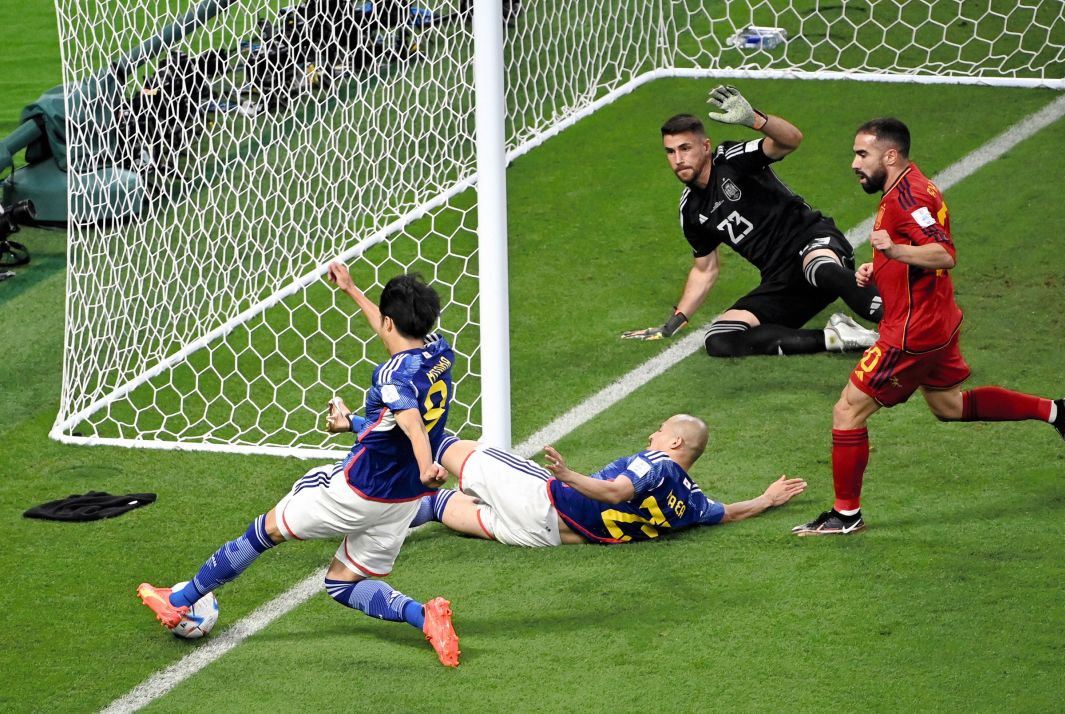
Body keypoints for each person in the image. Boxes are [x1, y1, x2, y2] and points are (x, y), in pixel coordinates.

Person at [137, 264, 461, 667]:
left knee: (266, 529)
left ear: (391, 320)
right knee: (342, 583)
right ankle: (425, 616)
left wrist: (428, 463)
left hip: (359, 489)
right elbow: (397, 397)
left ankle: (179, 602)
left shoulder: (391, 375)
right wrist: (352, 289)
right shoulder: (440, 351)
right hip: (404, 499)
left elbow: (411, 425)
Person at [792, 118, 1065, 536]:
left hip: (912, 333)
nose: (854, 164)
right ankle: (1059, 411)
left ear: (890, 155)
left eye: (862, 154)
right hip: (937, 319)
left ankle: (845, 516)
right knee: (948, 406)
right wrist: (880, 267)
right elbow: (919, 250)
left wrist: (893, 249)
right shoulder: (909, 186)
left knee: (847, 411)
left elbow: (943, 254)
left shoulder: (908, 198)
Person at [622, 84, 884, 357]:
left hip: (812, 242)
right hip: (782, 281)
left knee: (818, 268)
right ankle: (838, 337)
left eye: (685, 148)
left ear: (705, 146)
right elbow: (705, 270)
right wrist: (674, 321)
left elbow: (791, 140)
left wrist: (757, 121)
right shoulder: (690, 210)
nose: (678, 159)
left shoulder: (730, 160)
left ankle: (903, 324)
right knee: (719, 339)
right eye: (670, 152)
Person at [408, 414, 807, 545]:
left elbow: (616, 491)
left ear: (675, 441)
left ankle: (356, 431)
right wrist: (766, 500)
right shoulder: (694, 502)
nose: (652, 435)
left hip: (542, 497)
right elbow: (731, 514)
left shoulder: (656, 463)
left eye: (660, 430)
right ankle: (401, 510)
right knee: (441, 507)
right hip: (547, 536)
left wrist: (567, 475)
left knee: (440, 442)